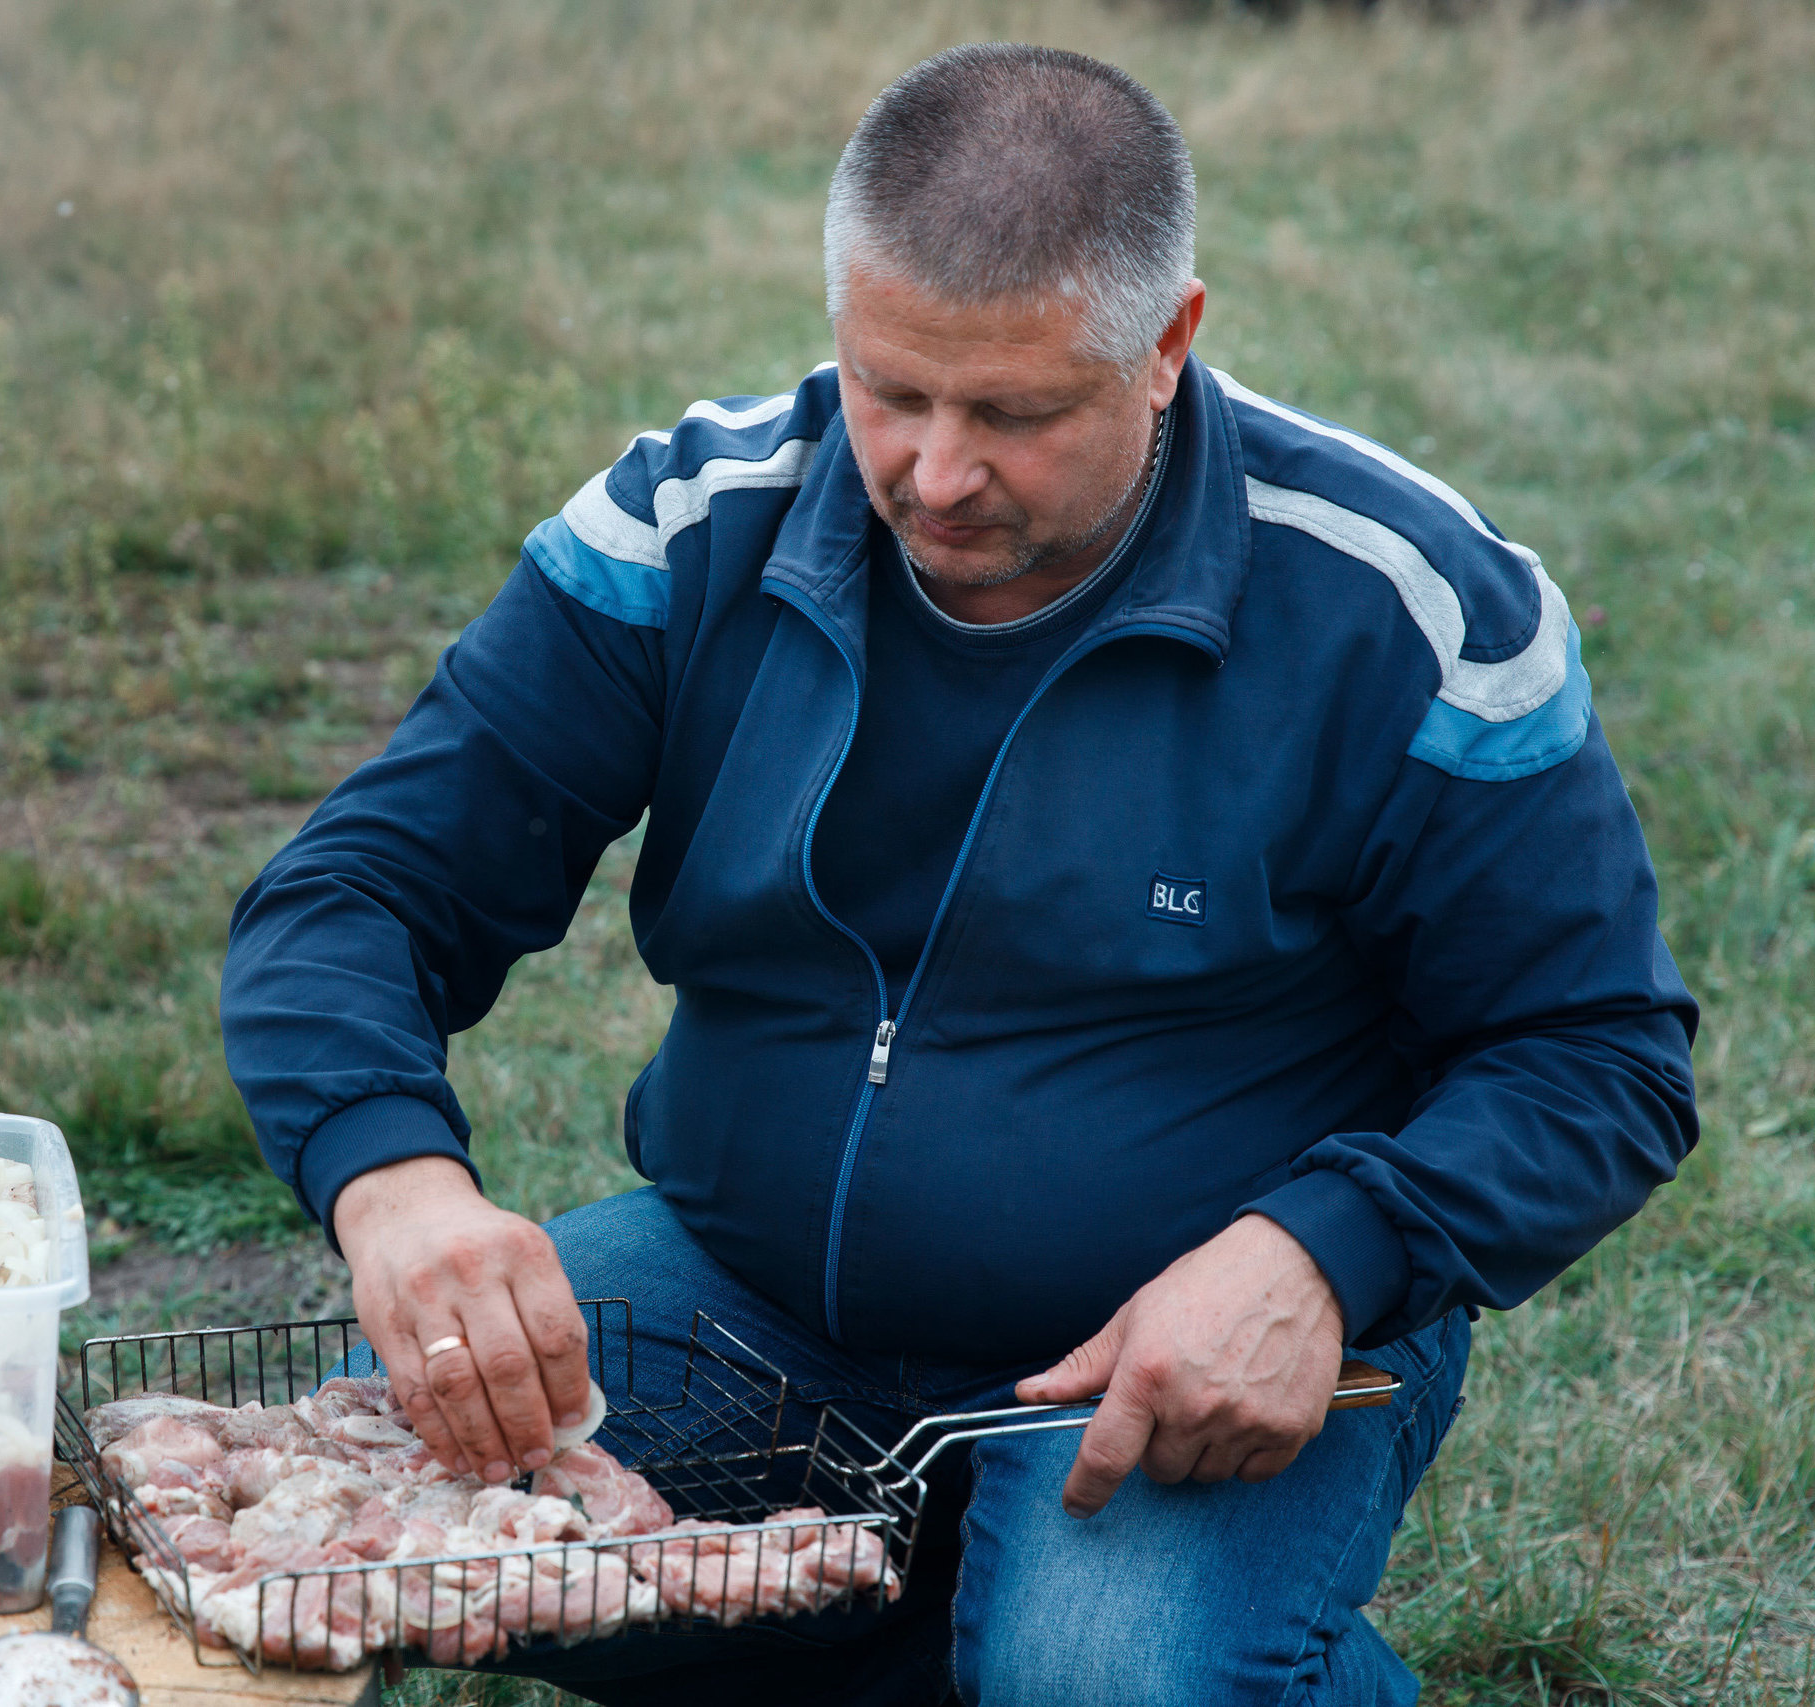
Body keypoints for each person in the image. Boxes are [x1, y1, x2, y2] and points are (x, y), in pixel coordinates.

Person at [220, 42, 1696, 1706]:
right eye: (889, 389)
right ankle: (928, 1629)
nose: (932, 472)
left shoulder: (1405, 607)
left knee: (1105, 1680)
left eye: (1014, 413)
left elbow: (1601, 1055)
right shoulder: (694, 524)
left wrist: (1324, 1251)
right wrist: (396, 1187)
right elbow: (354, 892)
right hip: (750, 1286)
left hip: (1171, 1359)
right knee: (370, 1497)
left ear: (1168, 347)